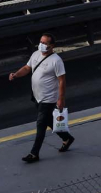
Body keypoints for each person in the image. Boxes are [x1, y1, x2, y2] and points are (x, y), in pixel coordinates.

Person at [9, 34, 74, 163]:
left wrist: (61, 99)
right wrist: (16, 74)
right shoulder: (36, 54)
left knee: (40, 125)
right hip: (37, 97)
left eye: (45, 43)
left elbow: (62, 81)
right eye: (41, 42)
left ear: (52, 46)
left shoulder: (56, 60)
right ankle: (67, 138)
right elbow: (27, 68)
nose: (42, 45)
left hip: (48, 99)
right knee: (48, 121)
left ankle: (34, 153)